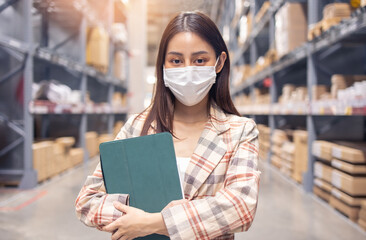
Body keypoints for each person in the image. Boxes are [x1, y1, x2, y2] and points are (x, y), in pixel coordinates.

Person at [75, 11, 260, 240]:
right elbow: (87, 201)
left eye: (200, 60)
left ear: (219, 62)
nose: (188, 69)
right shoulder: (137, 127)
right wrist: (133, 215)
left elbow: (241, 207)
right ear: (163, 66)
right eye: (176, 61)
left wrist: (153, 223)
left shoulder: (240, 131)